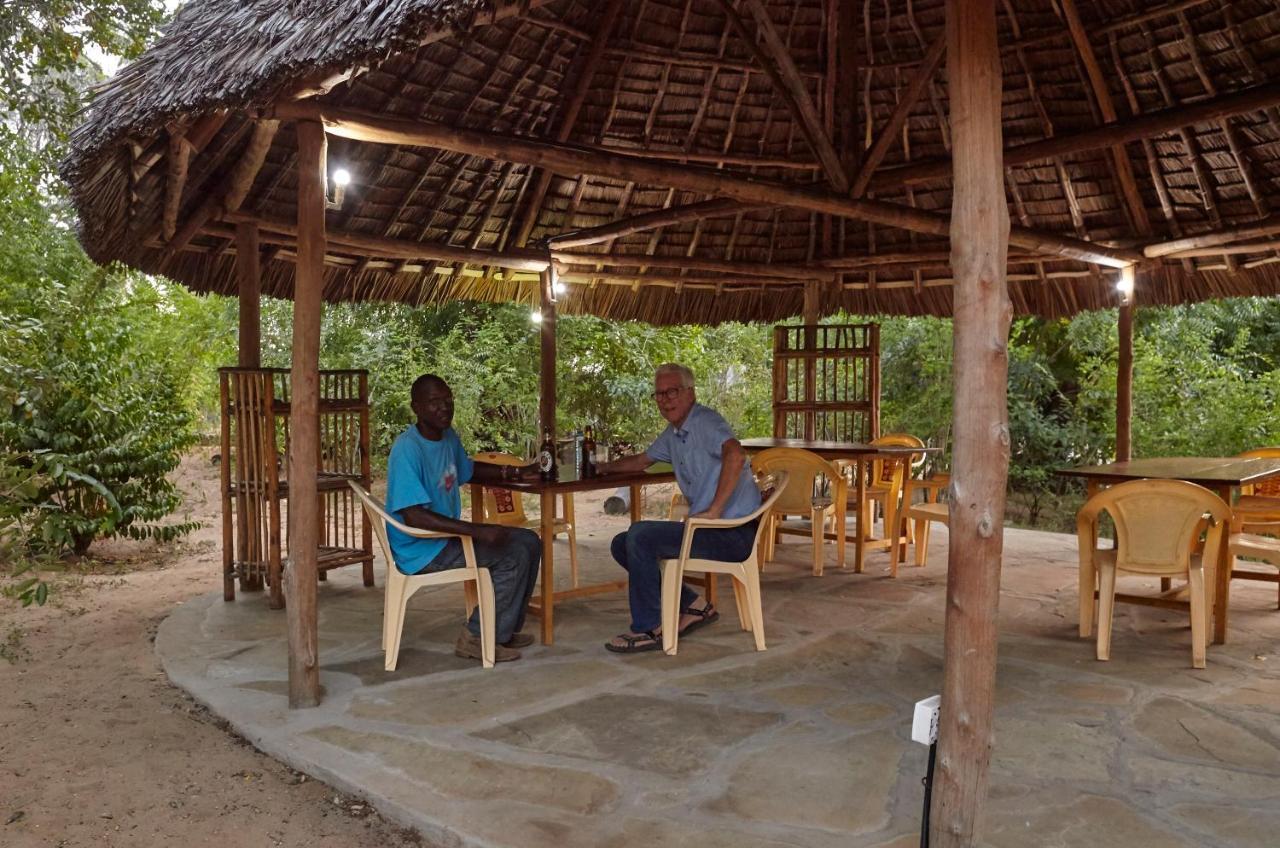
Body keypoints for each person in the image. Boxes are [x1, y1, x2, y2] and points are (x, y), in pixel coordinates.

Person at [595, 363, 761, 653]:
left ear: (690, 393)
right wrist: (601, 468)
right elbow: (641, 461)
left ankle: (651, 627)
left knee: (640, 535)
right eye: (659, 394)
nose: (665, 399)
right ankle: (694, 605)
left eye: (672, 391)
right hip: (707, 531)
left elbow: (735, 454)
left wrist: (713, 510)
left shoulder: (705, 422)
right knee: (622, 544)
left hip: (731, 534)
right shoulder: (674, 433)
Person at [384, 374, 542, 663]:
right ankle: (477, 637)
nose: (444, 407)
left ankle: (501, 630)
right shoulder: (408, 449)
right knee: (513, 553)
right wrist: (477, 531)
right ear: (416, 407)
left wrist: (515, 472)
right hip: (422, 548)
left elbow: (468, 468)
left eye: (447, 399)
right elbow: (414, 515)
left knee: (531, 541)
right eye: (434, 402)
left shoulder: (447, 437)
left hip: (442, 539)